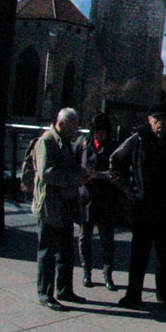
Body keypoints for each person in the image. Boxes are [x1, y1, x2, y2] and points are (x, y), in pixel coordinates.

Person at [110, 102, 166, 308]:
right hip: (144, 207)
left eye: (163, 119)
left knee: (164, 255)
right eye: (156, 119)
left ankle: (164, 294)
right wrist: (131, 192)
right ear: (149, 120)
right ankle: (133, 293)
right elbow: (115, 162)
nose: (160, 123)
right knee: (139, 253)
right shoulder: (138, 139)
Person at [32, 107, 87, 311]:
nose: (76, 132)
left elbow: (69, 166)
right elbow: (47, 173)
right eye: (73, 128)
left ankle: (64, 289)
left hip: (65, 204)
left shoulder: (65, 142)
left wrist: (81, 172)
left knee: (65, 250)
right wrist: (74, 178)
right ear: (62, 124)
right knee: (47, 251)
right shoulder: (47, 141)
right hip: (50, 206)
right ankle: (45, 293)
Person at [77, 112, 122, 291]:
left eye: (102, 132)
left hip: (105, 199)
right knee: (84, 238)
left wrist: (102, 176)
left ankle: (107, 273)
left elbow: (116, 171)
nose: (99, 136)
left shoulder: (113, 147)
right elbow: (76, 166)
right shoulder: (83, 144)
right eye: (97, 132)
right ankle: (86, 271)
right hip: (86, 197)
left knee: (107, 240)